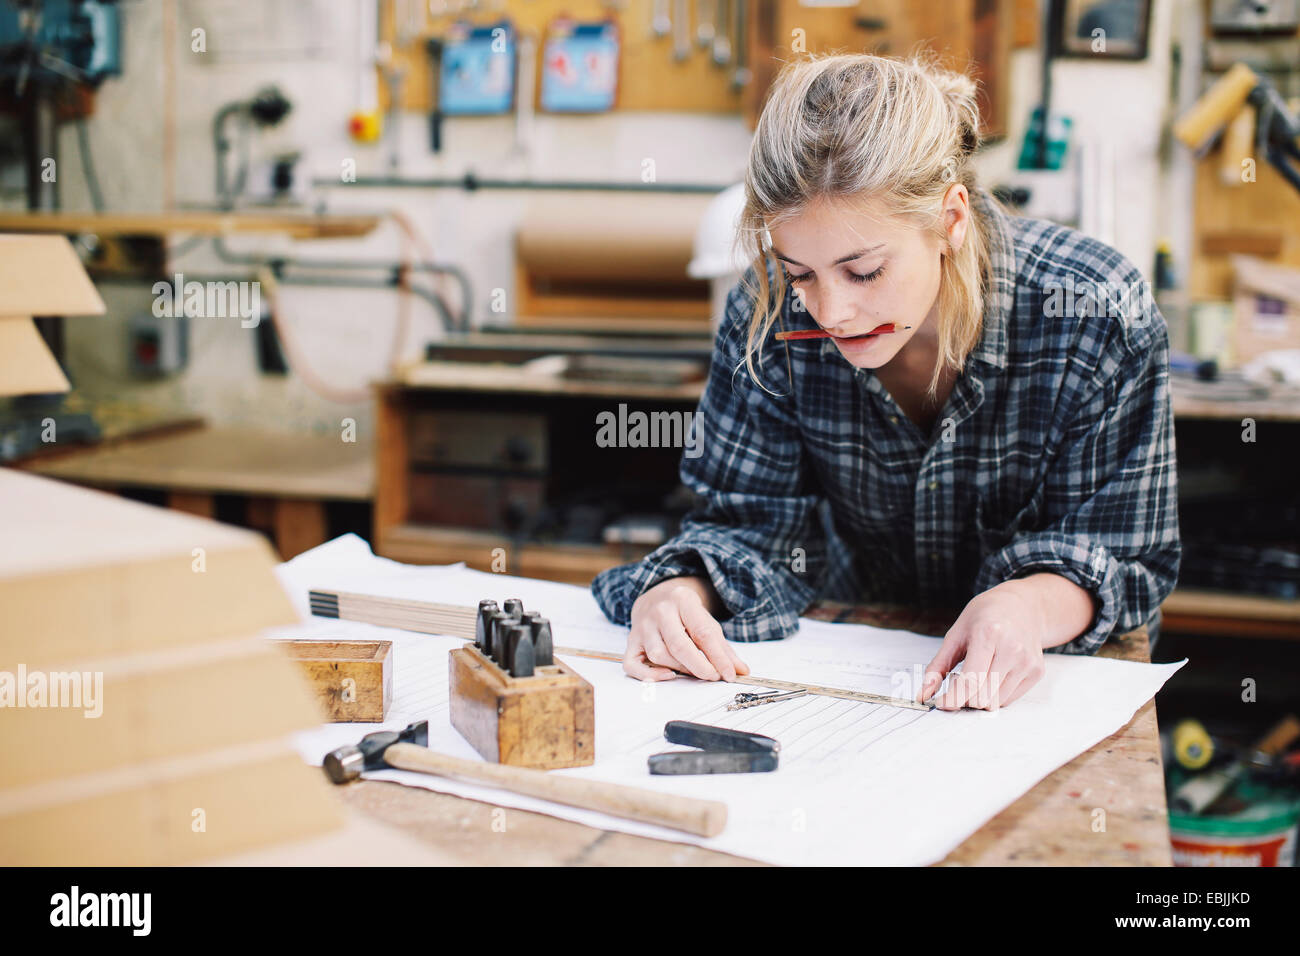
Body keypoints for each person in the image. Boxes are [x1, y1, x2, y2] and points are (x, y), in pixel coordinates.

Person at [591, 53, 1180, 711]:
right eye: (800, 273)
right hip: (857, 674)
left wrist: (1021, 607)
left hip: (1056, 689)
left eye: (864, 271)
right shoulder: (766, 315)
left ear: (950, 221)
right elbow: (750, 526)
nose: (830, 312)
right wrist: (681, 591)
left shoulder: (1094, 313)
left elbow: (1124, 553)